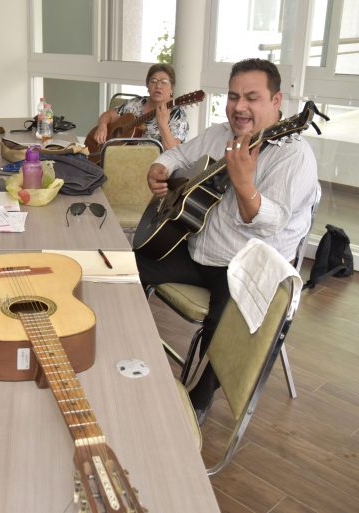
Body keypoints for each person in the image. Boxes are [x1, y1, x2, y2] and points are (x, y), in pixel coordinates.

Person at [135, 58, 319, 422]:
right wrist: (161, 169)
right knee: (128, 268)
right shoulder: (219, 133)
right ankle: (131, 353)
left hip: (244, 268)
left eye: (252, 97)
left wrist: (245, 184)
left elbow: (270, 223)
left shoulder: (294, 156)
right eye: (234, 96)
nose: (239, 107)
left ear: (277, 100)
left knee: (231, 324)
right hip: (195, 249)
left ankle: (198, 400)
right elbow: (177, 153)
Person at [93, 63, 188, 150]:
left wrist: (163, 124)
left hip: (151, 164)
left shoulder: (177, 114)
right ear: (148, 86)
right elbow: (108, 115)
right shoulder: (136, 103)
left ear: (172, 88)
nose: (158, 86)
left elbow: (174, 152)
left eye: (164, 82)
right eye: (153, 81)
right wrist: (102, 126)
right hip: (119, 157)